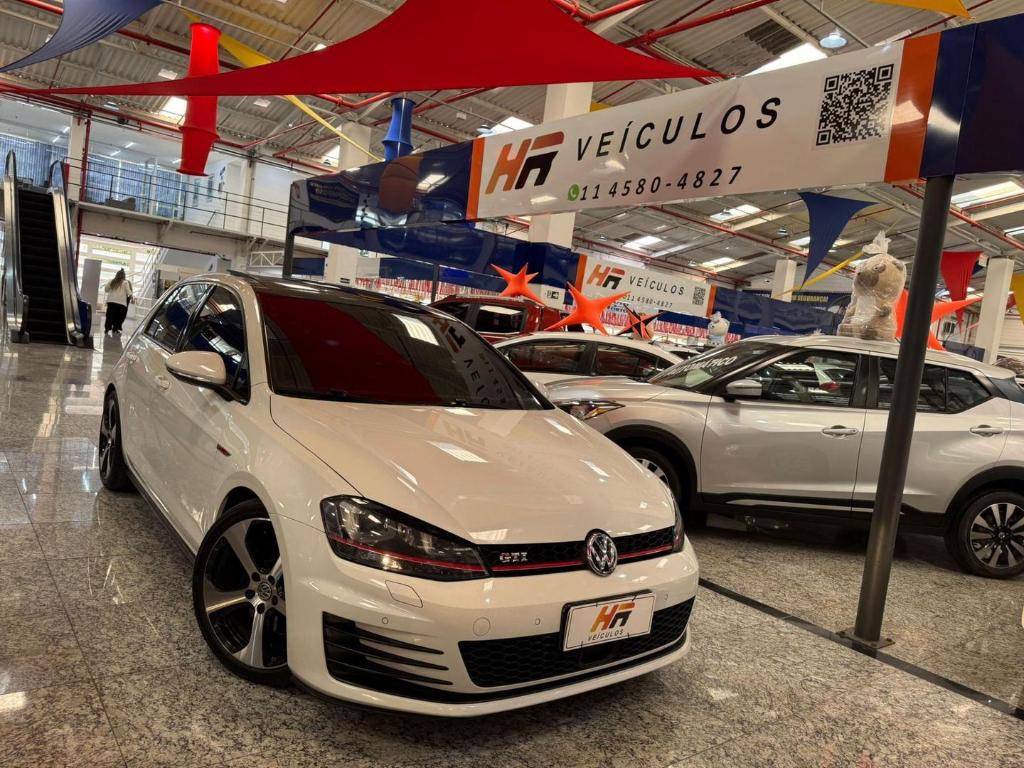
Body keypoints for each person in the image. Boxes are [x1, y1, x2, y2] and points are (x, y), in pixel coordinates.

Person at [104, 269, 133, 335]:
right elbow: (128, 291)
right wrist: (132, 298)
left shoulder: (111, 281)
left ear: (116, 275)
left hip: (111, 302)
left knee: (109, 315)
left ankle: (107, 328)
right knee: (119, 317)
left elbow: (106, 289)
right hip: (121, 303)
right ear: (124, 275)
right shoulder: (125, 282)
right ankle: (115, 329)